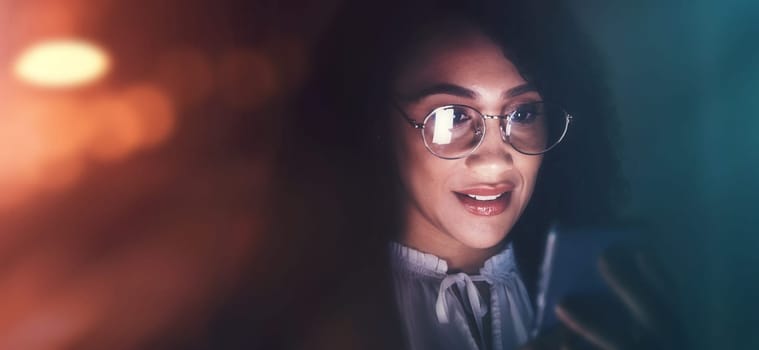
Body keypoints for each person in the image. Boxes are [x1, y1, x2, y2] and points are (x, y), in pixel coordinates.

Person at [261, 0, 623, 349]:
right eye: (453, 116)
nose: (495, 162)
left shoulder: (608, 292)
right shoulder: (305, 314)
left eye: (523, 113)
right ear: (378, 121)